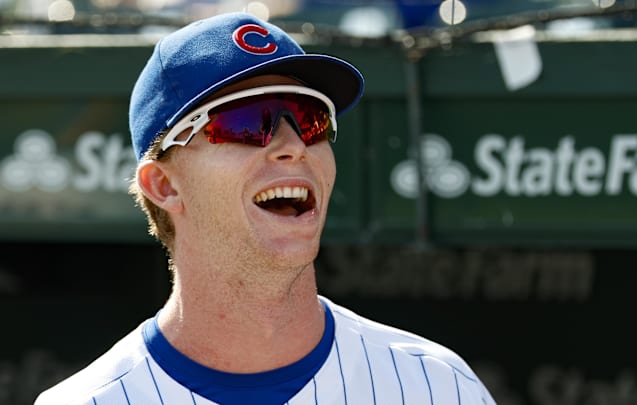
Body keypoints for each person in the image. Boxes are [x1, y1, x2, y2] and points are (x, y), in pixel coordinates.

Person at [35, 12, 496, 405]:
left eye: (311, 120)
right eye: (245, 122)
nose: (293, 146)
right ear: (164, 185)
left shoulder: (438, 387)